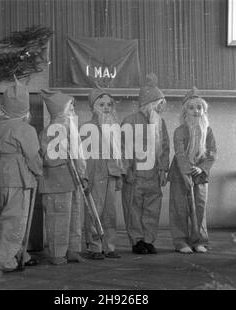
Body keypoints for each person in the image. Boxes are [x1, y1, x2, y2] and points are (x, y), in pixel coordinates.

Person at [0, 78, 43, 272]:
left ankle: (20, 253)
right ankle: (4, 259)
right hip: (19, 177)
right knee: (15, 220)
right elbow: (32, 156)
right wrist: (39, 171)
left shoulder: (0, 126)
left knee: (4, 217)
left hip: (2, 174)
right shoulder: (25, 128)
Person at [121, 73, 170, 254]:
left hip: (153, 175)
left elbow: (165, 147)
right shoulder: (129, 121)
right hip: (135, 175)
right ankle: (137, 241)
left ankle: (149, 240)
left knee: (152, 208)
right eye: (158, 105)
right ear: (149, 104)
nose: (160, 109)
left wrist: (164, 170)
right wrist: (127, 170)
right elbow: (123, 148)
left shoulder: (160, 123)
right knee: (133, 209)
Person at [38, 89, 88, 265]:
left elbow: (79, 156)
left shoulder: (71, 129)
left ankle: (72, 249)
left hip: (72, 180)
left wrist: (83, 175)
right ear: (61, 112)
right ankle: (57, 253)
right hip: (55, 181)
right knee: (58, 217)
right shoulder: (51, 131)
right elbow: (49, 158)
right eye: (70, 108)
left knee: (74, 216)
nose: (73, 111)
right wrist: (64, 156)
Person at [168, 87, 217, 254]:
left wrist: (201, 168)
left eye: (199, 107)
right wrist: (187, 171)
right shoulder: (180, 131)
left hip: (200, 175)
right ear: (185, 112)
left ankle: (198, 241)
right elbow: (180, 154)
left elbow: (212, 153)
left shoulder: (208, 131)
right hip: (180, 174)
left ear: (204, 110)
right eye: (191, 107)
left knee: (199, 207)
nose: (196, 111)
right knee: (180, 208)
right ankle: (180, 241)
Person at [81, 87, 124, 260]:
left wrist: (120, 174)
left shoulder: (114, 128)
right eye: (101, 104)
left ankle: (109, 246)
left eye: (109, 104)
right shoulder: (86, 127)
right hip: (94, 173)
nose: (106, 107)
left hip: (111, 174)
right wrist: (85, 177)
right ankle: (95, 246)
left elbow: (120, 154)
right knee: (94, 210)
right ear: (93, 107)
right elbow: (81, 156)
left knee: (110, 212)